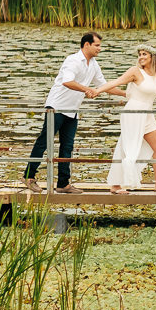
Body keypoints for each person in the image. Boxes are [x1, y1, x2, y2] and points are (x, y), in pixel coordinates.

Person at [92, 44, 156, 193]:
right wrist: (97, 91)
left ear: (153, 57)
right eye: (140, 54)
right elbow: (115, 82)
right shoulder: (135, 72)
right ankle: (116, 185)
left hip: (147, 113)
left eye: (145, 54)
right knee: (128, 147)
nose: (141, 57)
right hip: (134, 112)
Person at [23, 32, 109, 194]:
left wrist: (127, 94)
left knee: (67, 147)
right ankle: (28, 176)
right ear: (86, 45)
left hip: (72, 110)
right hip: (56, 107)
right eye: (97, 45)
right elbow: (67, 81)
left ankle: (63, 184)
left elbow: (103, 85)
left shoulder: (94, 64)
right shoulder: (73, 60)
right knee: (44, 142)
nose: (100, 48)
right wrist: (87, 89)